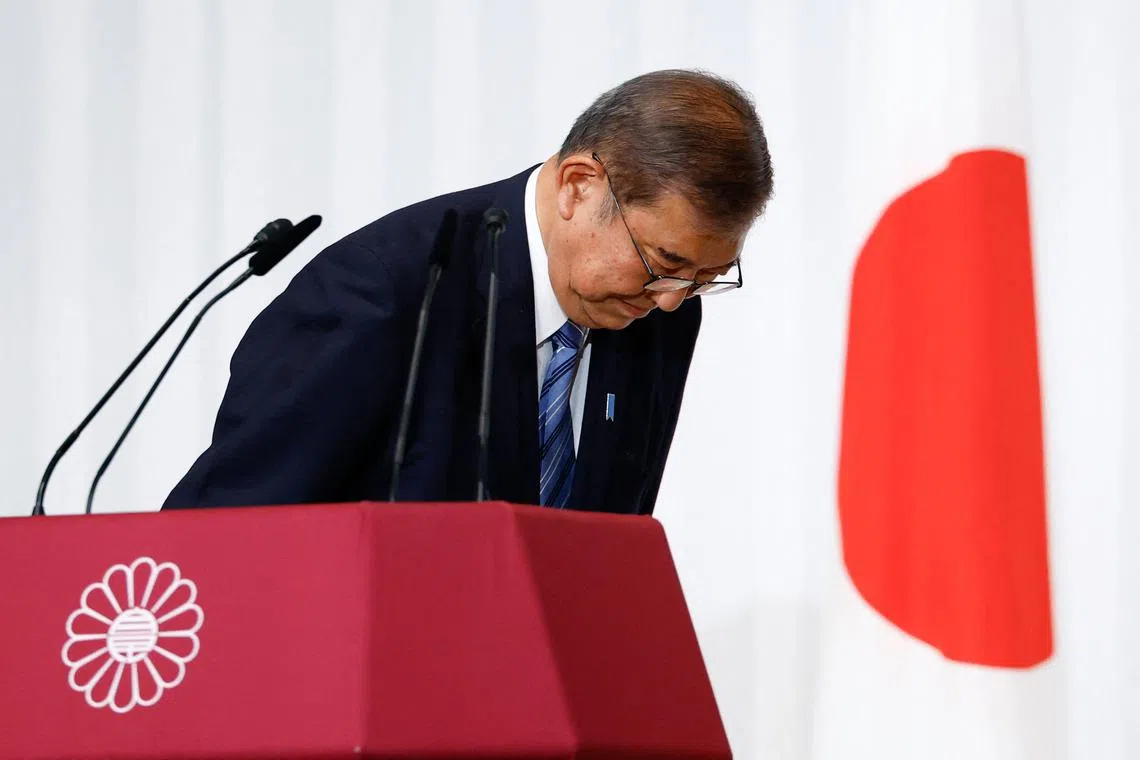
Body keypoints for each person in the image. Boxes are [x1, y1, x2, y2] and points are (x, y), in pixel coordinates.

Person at [162, 69, 774, 515]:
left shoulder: (657, 308)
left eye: (704, 278)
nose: (671, 299)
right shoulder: (385, 290)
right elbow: (230, 530)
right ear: (579, 186)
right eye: (663, 261)